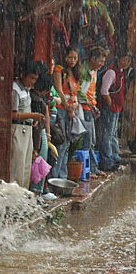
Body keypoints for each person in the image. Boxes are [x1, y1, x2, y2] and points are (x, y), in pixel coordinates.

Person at [96, 51, 133, 171]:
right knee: (106, 135)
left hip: (116, 109)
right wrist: (110, 104)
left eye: (128, 61)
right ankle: (107, 161)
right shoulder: (111, 72)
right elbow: (104, 91)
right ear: (119, 59)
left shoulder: (121, 72)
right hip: (109, 109)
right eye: (124, 60)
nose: (126, 63)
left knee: (113, 133)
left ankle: (115, 157)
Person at [11, 61, 45, 189]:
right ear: (22, 75)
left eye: (35, 79)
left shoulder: (27, 90)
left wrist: (32, 119)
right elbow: (13, 114)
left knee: (25, 166)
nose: (33, 82)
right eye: (31, 78)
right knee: (17, 166)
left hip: (27, 129)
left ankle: (22, 193)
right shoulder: (15, 89)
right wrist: (32, 116)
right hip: (18, 129)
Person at [50, 46, 81, 179]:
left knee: (67, 144)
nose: (72, 60)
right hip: (61, 109)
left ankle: (62, 177)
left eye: (75, 58)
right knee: (60, 143)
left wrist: (74, 105)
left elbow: (75, 93)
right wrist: (67, 105)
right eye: (70, 57)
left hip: (70, 109)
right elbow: (59, 89)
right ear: (65, 56)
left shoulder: (75, 72)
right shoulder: (59, 70)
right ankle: (54, 177)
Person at [77, 46, 108, 178]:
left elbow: (91, 91)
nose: (102, 64)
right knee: (88, 140)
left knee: (91, 139)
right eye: (100, 61)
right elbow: (78, 90)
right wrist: (88, 103)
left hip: (89, 107)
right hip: (83, 108)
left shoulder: (93, 71)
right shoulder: (83, 70)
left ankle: (92, 168)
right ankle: (88, 170)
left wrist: (93, 105)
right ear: (93, 59)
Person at [30, 69, 57, 201]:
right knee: (39, 161)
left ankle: (40, 190)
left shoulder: (39, 98)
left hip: (42, 132)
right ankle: (36, 191)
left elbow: (45, 114)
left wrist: (48, 133)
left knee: (42, 161)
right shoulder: (35, 98)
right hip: (37, 133)